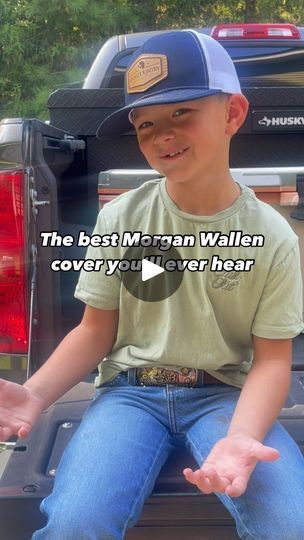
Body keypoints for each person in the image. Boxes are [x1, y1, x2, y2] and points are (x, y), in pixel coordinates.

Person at [1, 29, 304, 540]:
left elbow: (273, 359)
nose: (162, 134)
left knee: (289, 522)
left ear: (232, 114)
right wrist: (35, 393)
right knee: (76, 522)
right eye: (145, 124)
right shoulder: (122, 217)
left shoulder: (272, 236)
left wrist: (241, 438)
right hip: (129, 395)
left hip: (225, 397)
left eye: (182, 113)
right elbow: (96, 331)